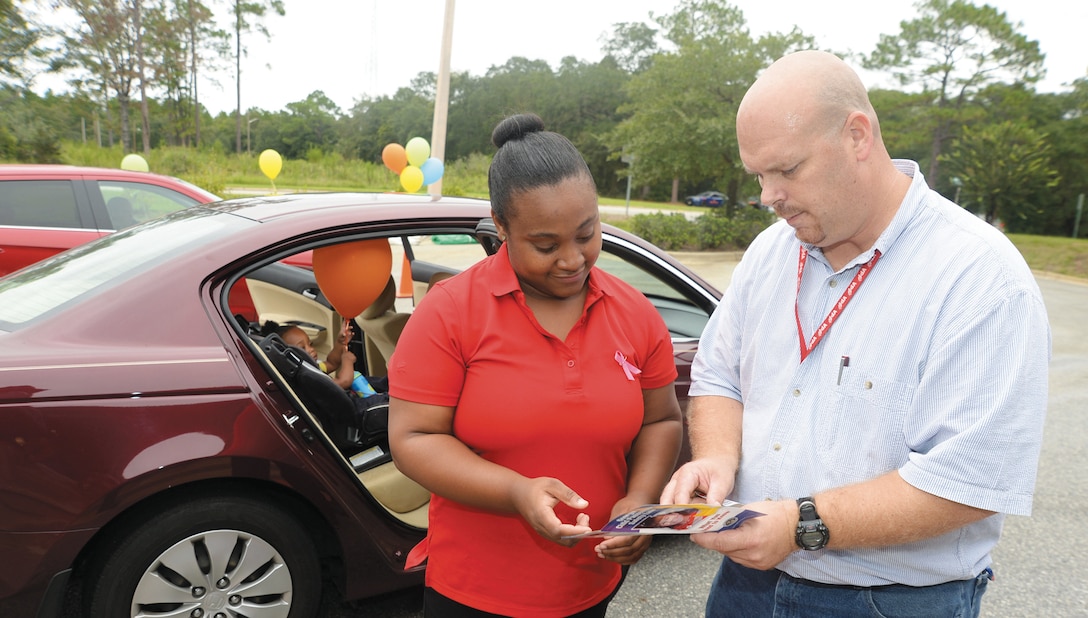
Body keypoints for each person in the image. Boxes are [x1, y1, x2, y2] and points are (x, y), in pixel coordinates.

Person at [660, 50, 1051, 617]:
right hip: (747, 582)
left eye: (787, 170)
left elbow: (968, 479)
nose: (768, 196)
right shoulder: (771, 251)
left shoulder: (979, 276)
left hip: (888, 601)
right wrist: (717, 459)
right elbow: (721, 376)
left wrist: (802, 525)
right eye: (759, 175)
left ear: (857, 136)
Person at [387, 113, 683, 617]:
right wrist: (516, 492)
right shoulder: (451, 311)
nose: (572, 259)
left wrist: (638, 501)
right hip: (474, 591)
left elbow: (661, 419)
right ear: (501, 226)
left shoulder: (635, 312)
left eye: (587, 234)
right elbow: (413, 439)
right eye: (545, 245)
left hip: (590, 585)